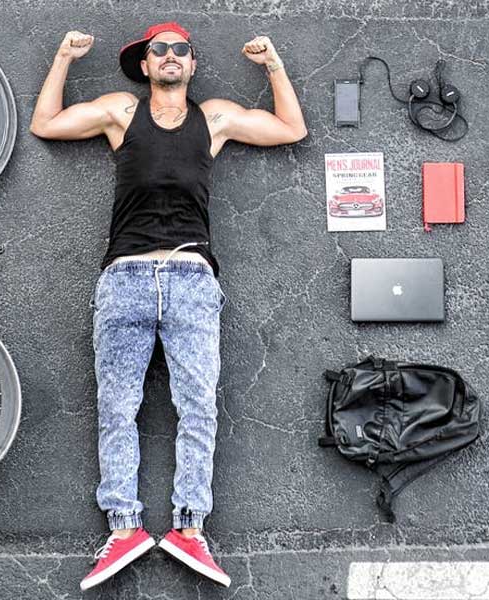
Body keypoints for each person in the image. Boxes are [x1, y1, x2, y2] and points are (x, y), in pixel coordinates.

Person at [29, 21, 307, 590]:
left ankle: (189, 529)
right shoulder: (121, 113)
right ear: (146, 65)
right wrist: (63, 57)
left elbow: (291, 129)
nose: (170, 55)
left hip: (192, 278)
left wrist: (272, 64)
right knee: (117, 408)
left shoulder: (215, 119)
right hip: (125, 277)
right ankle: (124, 528)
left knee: (198, 407)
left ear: (192, 63)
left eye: (181, 49)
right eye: (159, 50)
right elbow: (45, 124)